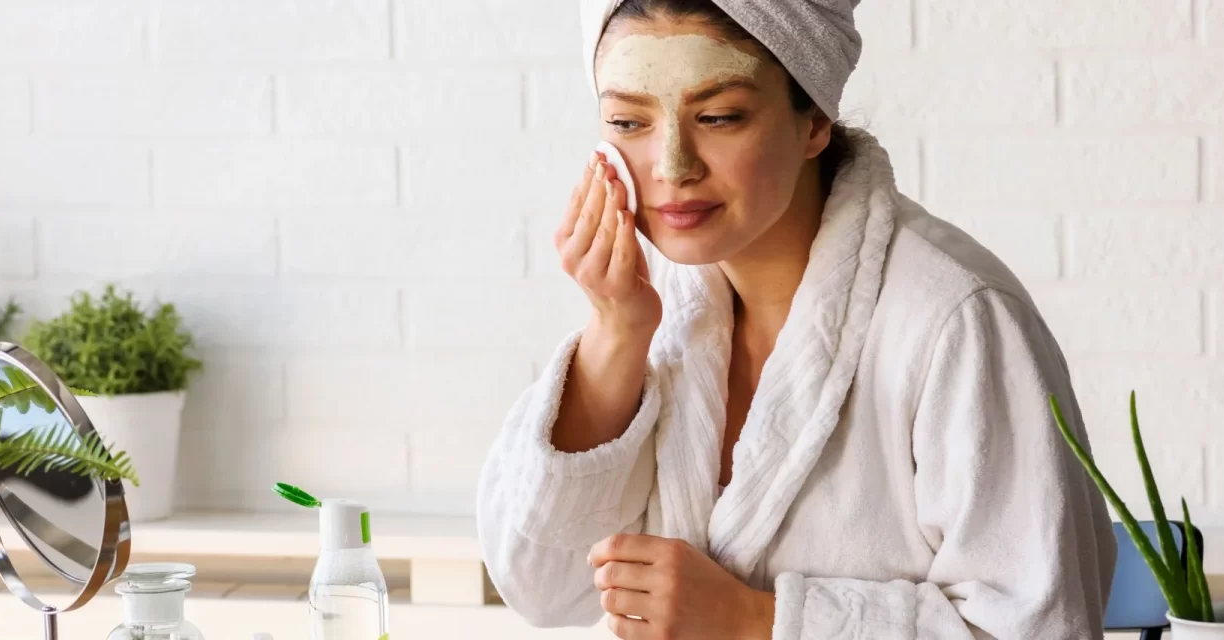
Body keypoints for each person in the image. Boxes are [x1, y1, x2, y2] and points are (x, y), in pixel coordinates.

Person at [475, 0, 1118, 638]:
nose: (672, 166)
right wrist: (615, 331)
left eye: (720, 116)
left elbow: (1041, 626)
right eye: (627, 121)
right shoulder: (658, 311)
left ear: (814, 121)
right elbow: (544, 589)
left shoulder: (956, 318)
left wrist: (757, 622)